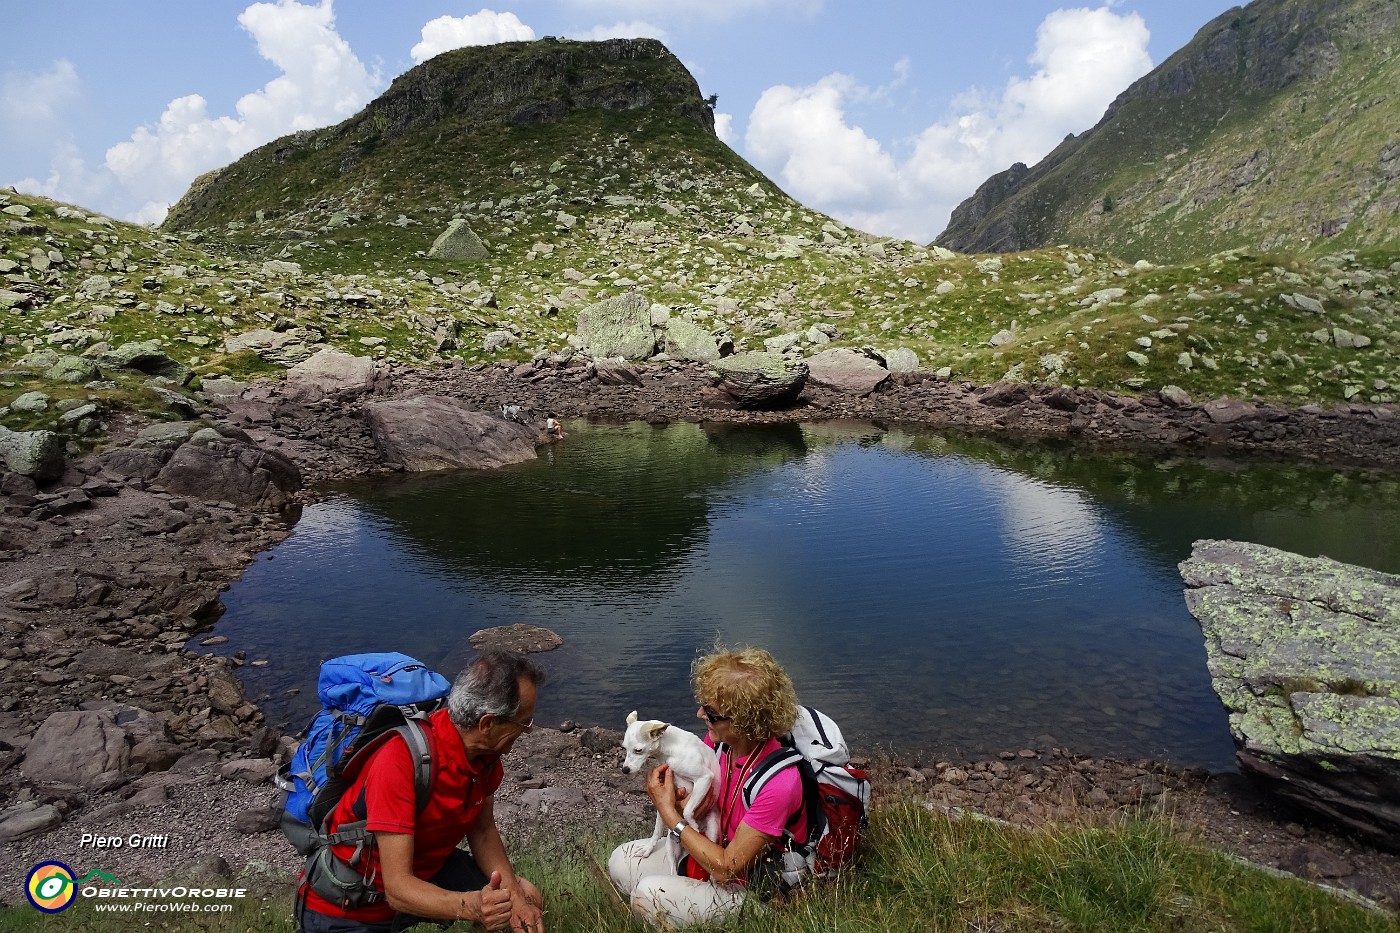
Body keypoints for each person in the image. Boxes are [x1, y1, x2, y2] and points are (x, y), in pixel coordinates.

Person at [297, 649, 546, 933]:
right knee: (494, 908)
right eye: (523, 723)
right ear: (487, 724)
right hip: (352, 906)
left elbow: (483, 831)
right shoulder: (401, 761)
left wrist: (516, 901)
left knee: (523, 897)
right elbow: (398, 888)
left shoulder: (486, 758)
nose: (528, 731)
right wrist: (474, 906)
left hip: (427, 870)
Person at [608, 646, 809, 927]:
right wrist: (676, 798)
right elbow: (691, 799)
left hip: (752, 889)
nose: (700, 713)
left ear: (744, 720)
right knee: (620, 861)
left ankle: (737, 920)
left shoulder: (779, 782)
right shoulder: (719, 745)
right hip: (712, 849)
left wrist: (672, 816)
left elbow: (729, 868)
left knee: (647, 895)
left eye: (712, 713)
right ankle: (684, 912)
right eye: (704, 704)